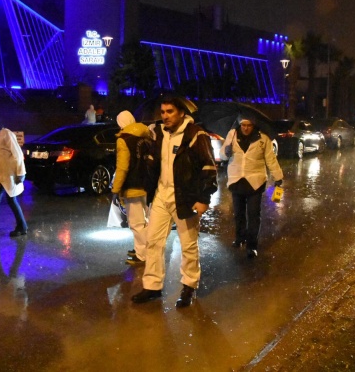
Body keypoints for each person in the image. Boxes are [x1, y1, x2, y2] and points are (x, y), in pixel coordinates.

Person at [131, 97, 218, 308]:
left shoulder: (195, 134)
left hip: (186, 196)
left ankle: (189, 286)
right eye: (162, 112)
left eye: (169, 111)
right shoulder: (159, 134)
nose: (165, 116)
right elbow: (153, 163)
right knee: (153, 241)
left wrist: (203, 198)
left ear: (181, 113)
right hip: (162, 195)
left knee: (188, 244)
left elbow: (208, 166)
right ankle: (152, 286)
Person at [219, 114, 283, 258]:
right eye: (243, 125)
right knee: (238, 214)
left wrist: (278, 177)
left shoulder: (263, 139)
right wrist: (226, 152)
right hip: (236, 180)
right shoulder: (232, 135)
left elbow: (270, 159)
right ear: (239, 124)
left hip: (255, 182)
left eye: (249, 125)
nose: (246, 128)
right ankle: (240, 238)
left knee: (253, 215)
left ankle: (252, 245)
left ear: (254, 125)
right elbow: (222, 155)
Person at [111, 110, 153, 266]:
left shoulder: (124, 140)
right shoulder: (147, 137)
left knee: (136, 223)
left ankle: (142, 255)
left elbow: (122, 167)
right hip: (148, 184)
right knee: (147, 221)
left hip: (132, 185)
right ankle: (144, 249)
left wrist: (116, 189)